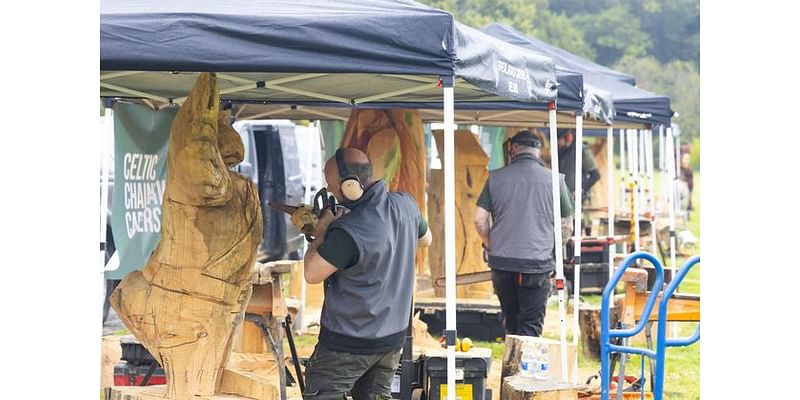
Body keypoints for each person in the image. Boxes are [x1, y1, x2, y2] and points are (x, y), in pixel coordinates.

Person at [302, 148, 432, 399]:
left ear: (351, 186)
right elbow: (426, 239)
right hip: (391, 340)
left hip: (347, 343)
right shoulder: (406, 204)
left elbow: (311, 273)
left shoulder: (348, 232)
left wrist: (322, 230)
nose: (330, 192)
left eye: (331, 186)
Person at [473, 131, 574, 337]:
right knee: (531, 325)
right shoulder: (556, 181)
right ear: (538, 151)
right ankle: (526, 368)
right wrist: (553, 253)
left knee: (511, 322)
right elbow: (567, 227)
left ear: (514, 149)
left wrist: (491, 244)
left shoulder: (495, 178)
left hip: (502, 263)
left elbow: (479, 220)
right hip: (537, 264)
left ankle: (511, 367)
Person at [557, 129, 601, 203]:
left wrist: (581, 189)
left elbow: (595, 175)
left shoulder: (582, 150)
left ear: (567, 138)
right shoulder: (561, 151)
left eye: (559, 140)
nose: (558, 143)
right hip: (562, 195)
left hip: (575, 197)